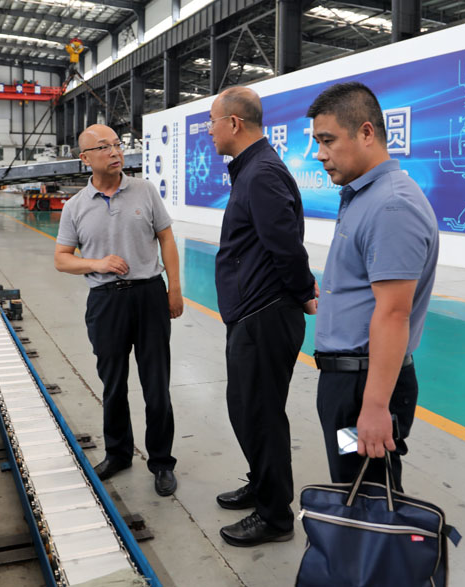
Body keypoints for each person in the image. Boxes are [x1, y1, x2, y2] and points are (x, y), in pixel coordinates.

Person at [307, 82, 439, 491]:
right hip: (350, 382)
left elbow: (394, 313)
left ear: (366, 132)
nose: (319, 154)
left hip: (364, 387)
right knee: (356, 484)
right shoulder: (364, 196)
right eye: (317, 142)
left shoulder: (391, 205)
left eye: (328, 140)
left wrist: (376, 406)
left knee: (367, 493)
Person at [208, 86, 318, 547]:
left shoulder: (261, 174)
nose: (209, 131)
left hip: (265, 314)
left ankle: (275, 517)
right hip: (251, 312)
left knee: (261, 413)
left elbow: (286, 246)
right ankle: (261, 483)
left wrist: (302, 291)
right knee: (246, 409)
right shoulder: (252, 170)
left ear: (234, 123)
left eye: (213, 122)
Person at [54, 124, 182, 497]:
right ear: (85, 158)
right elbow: (62, 259)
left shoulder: (144, 190)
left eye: (117, 144)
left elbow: (166, 237)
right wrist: (97, 263)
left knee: (156, 384)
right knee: (113, 384)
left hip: (149, 295)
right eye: (104, 147)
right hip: (106, 302)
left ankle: (162, 461)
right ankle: (118, 454)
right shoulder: (75, 206)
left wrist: (174, 288)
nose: (115, 152)